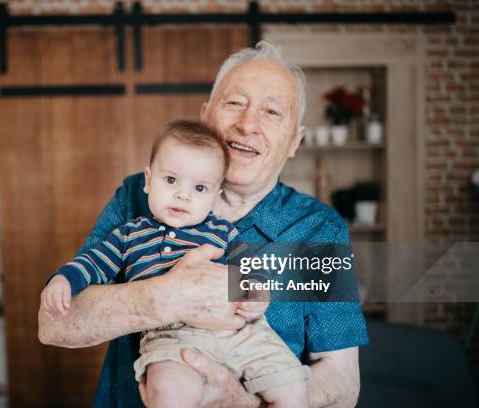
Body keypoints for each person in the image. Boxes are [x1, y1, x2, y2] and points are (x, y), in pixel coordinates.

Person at [38, 40, 369, 408]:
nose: (247, 125)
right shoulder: (138, 195)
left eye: (272, 112)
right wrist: (165, 297)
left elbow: (342, 382)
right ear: (205, 115)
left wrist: (237, 400)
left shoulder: (319, 229)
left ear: (294, 140)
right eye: (234, 103)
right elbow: (54, 324)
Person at [43, 119, 310, 407]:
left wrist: (256, 295)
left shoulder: (222, 231)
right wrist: (64, 280)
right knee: (169, 392)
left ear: (215, 196)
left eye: (199, 188)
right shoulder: (129, 234)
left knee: (293, 389)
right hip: (171, 337)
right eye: (171, 180)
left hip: (242, 336)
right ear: (148, 180)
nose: (183, 194)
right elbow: (93, 263)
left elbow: (251, 270)